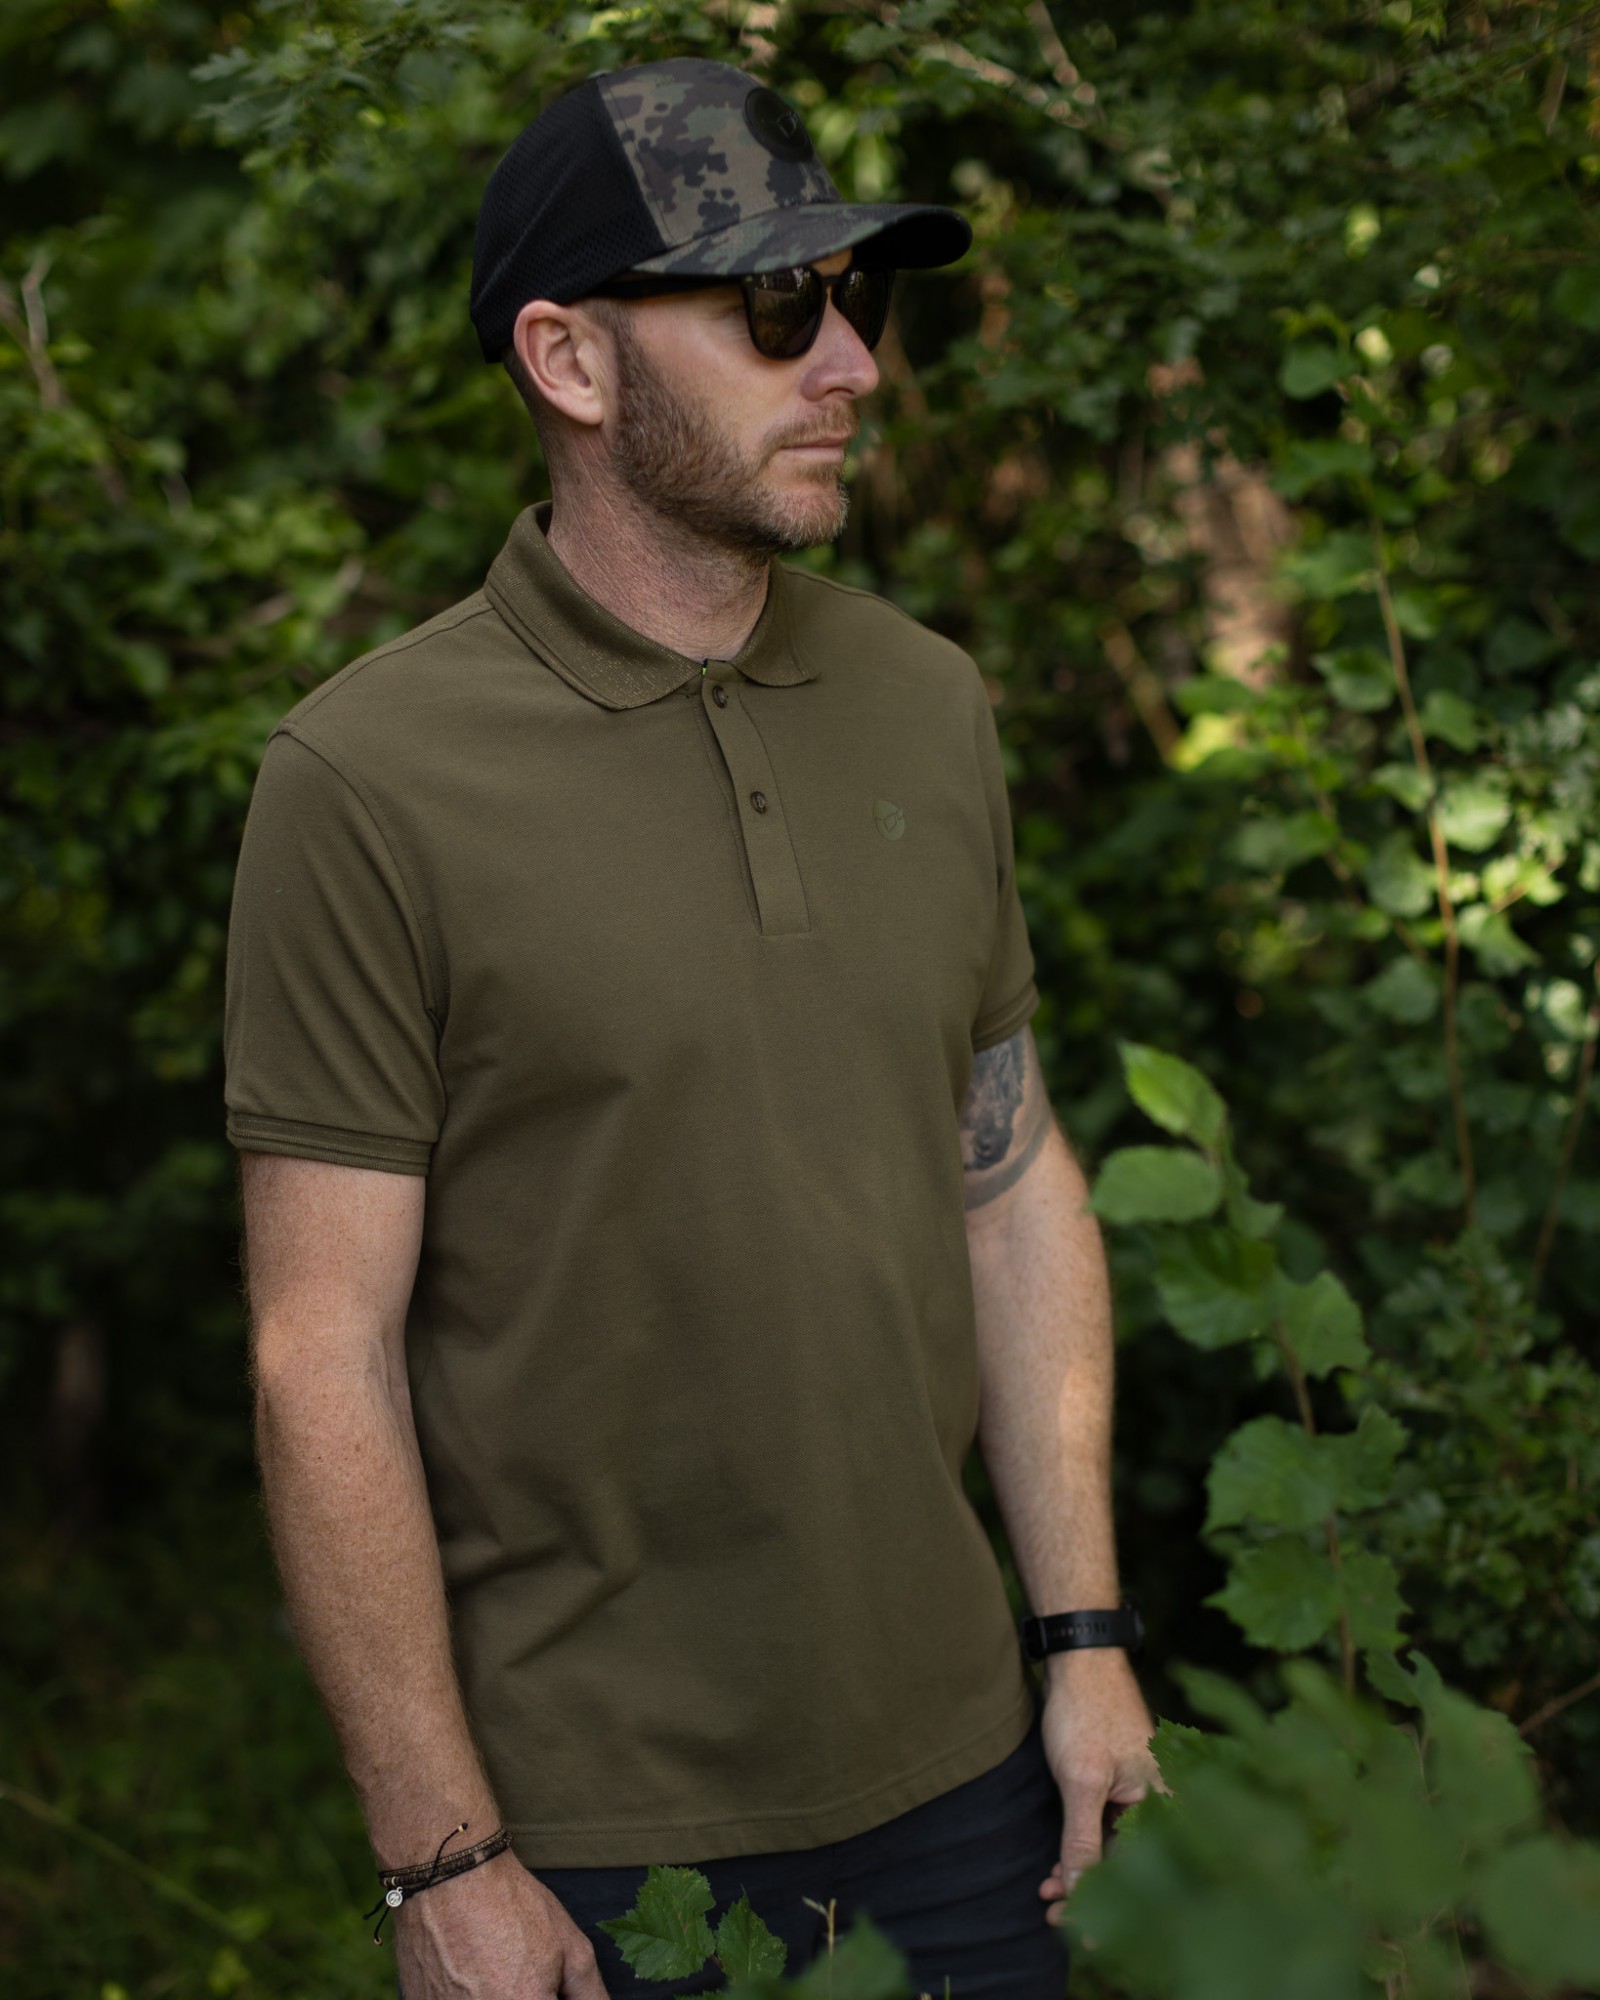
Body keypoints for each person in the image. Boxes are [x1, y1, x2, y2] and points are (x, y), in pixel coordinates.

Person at [225, 55, 1158, 2000]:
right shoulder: (366, 780)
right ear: (566, 359)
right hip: (588, 1839)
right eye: (772, 307)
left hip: (969, 1787)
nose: (854, 365)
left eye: (853, 298)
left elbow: (1005, 1181)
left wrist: (1081, 1639)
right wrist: (442, 1859)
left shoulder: (926, 702)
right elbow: (323, 1355)